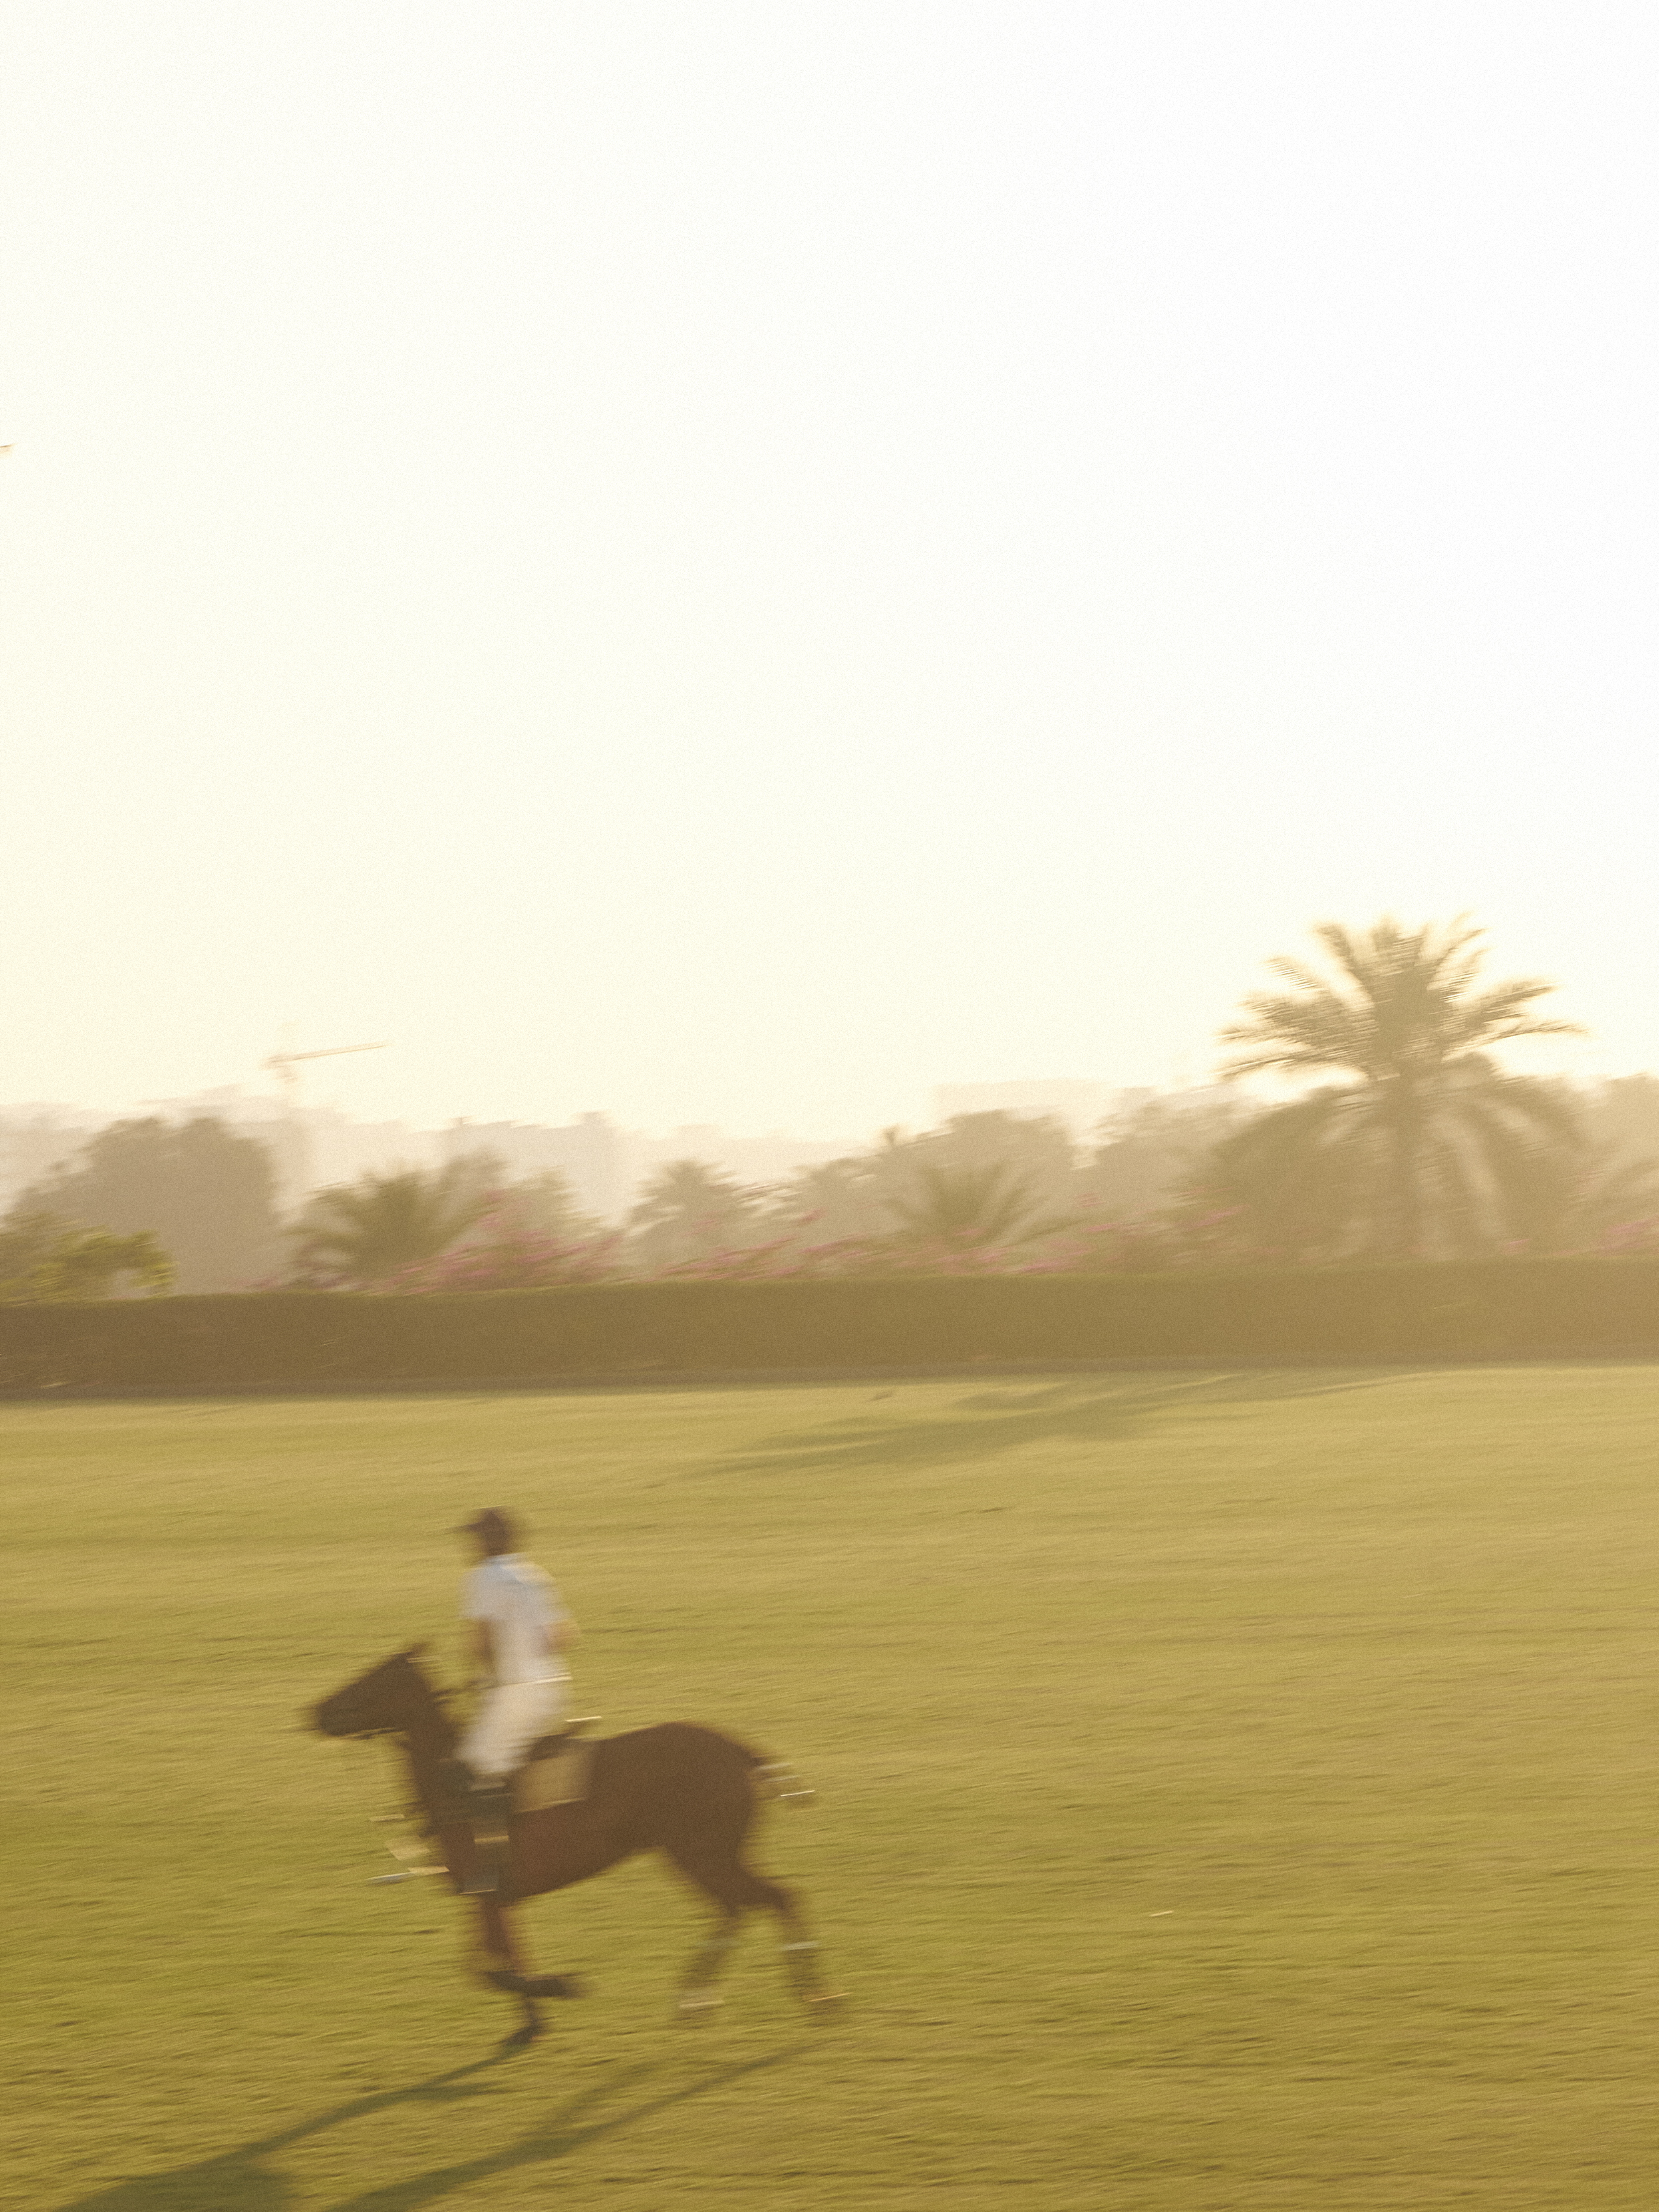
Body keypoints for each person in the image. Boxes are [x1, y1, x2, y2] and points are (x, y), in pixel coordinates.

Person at [450, 1507, 579, 1894]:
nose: (470, 1544)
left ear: (489, 1541)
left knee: (475, 1768)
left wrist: (486, 1677)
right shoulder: (532, 1574)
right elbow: (564, 1636)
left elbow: (481, 1641)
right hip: (553, 1688)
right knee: (505, 1762)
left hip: (518, 1694)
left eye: (475, 1537)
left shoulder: (482, 1576)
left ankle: (493, 1867)